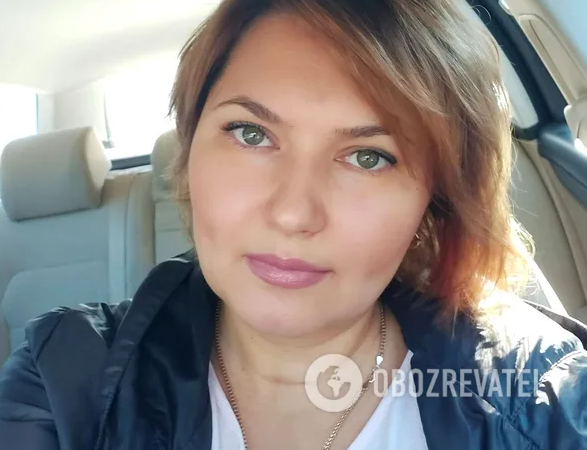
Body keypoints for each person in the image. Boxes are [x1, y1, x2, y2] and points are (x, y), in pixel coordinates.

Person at [1, 0, 587, 449]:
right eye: (251, 133)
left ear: (432, 201)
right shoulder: (64, 380)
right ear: (190, 149)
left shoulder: (539, 394)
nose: (293, 214)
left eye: (369, 157)